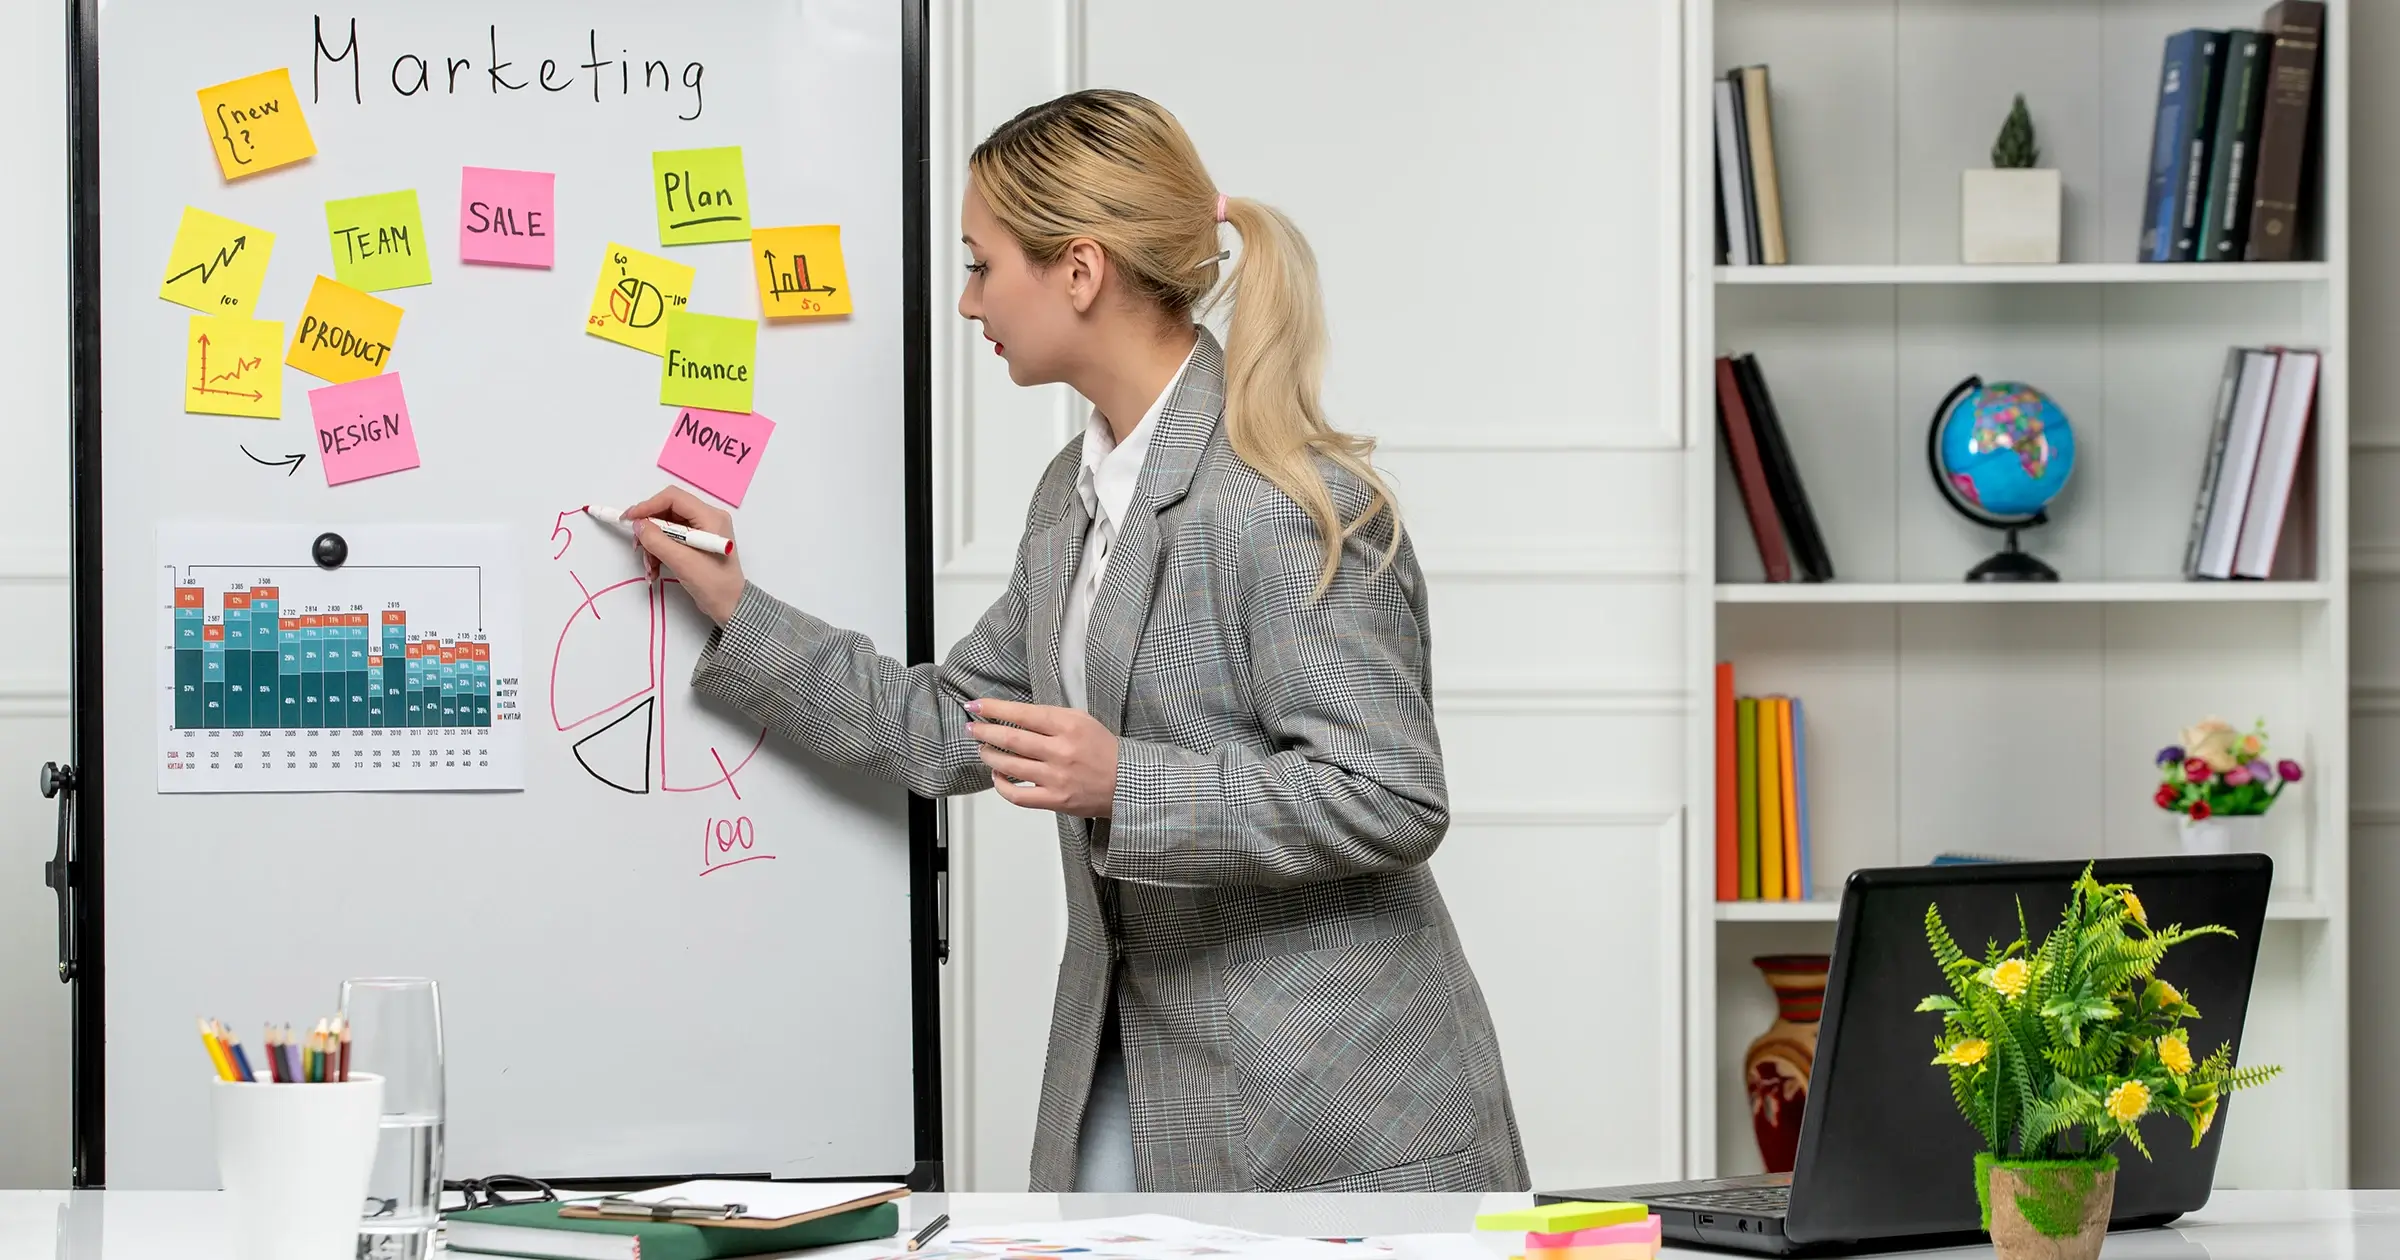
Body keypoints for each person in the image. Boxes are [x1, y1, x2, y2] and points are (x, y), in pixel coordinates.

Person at [625, 88, 1529, 1193]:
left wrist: (1126, 782)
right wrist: (731, 603)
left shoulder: (1283, 501)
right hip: (1136, 1068)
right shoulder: (1074, 494)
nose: (967, 302)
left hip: (1328, 1117)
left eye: (981, 263)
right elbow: (944, 730)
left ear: (1081, 270)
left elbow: (1393, 794)